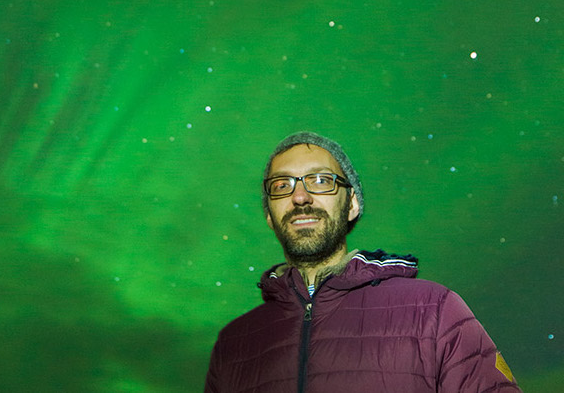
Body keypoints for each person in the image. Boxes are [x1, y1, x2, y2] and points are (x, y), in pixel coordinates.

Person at [204, 131, 521, 393]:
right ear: (270, 216)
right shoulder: (234, 344)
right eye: (282, 186)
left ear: (352, 204)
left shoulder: (434, 310)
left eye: (320, 180)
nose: (300, 197)